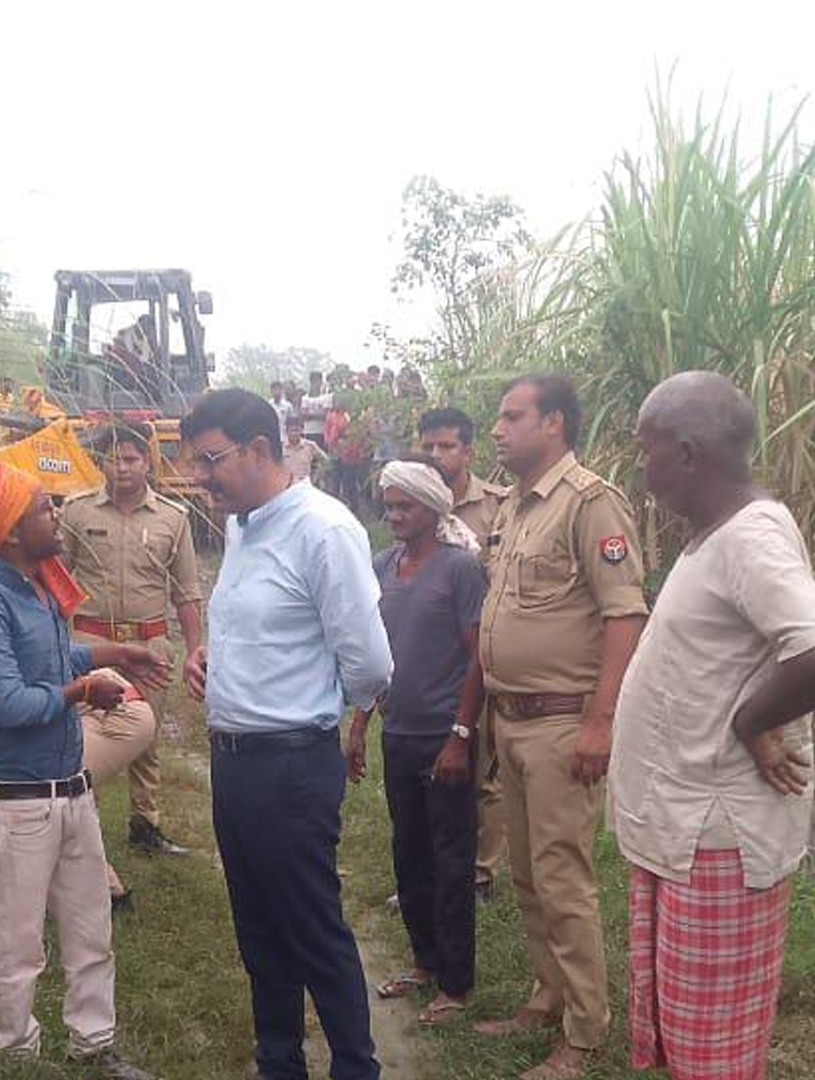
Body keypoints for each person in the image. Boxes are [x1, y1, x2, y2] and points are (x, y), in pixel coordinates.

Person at [613, 372, 815, 1080]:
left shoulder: (752, 539)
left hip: (715, 839)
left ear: (688, 454)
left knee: (713, 1053)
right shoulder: (714, 536)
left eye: (646, 450)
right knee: (688, 1041)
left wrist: (752, 719)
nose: (641, 467)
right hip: (683, 828)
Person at [179, 389, 393, 1080]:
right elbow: (266, 624)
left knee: (311, 928)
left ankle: (355, 1067)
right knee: (260, 933)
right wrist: (221, 657)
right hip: (236, 764)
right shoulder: (243, 527)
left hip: (292, 766)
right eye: (195, 462)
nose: (199, 478)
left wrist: (312, 704)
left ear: (261, 450)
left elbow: (370, 662)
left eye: (211, 460)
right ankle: (280, 1064)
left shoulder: (323, 530)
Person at [0, 461, 169, 1080]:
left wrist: (110, 653)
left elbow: (54, 654)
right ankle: (18, 1055)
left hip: (69, 788)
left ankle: (92, 1045)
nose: (57, 513)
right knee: (18, 945)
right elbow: (13, 703)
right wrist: (82, 691)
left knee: (91, 928)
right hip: (19, 802)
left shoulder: (36, 583)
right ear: (12, 531)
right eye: (45, 507)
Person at [472, 374, 650, 1080]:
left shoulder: (590, 503)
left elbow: (624, 614)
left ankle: (584, 1032)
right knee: (526, 873)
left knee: (563, 878)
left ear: (554, 424)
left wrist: (601, 722)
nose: (497, 429)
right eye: (498, 417)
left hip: (560, 722)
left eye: (512, 417)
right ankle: (546, 995)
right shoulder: (515, 507)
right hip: (508, 719)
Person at [345, 459, 487, 1028]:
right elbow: (373, 656)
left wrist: (460, 734)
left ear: (434, 510)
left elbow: (479, 656)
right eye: (390, 504)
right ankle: (425, 962)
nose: (394, 515)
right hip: (398, 735)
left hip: (443, 737)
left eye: (405, 506)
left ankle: (456, 983)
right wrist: (359, 726)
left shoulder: (461, 571)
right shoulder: (383, 566)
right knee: (409, 855)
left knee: (451, 860)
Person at [59, 423, 206, 886]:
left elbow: (186, 592)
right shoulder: (77, 512)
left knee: (146, 736)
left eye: (130, 459)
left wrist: (195, 648)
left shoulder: (172, 518)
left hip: (148, 645)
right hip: (90, 642)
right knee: (87, 733)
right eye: (112, 458)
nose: (120, 468)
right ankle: (88, 833)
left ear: (147, 462)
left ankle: (146, 826)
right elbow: (57, 582)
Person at [417, 407, 510, 899]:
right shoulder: (413, 504)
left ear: (468, 451)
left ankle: (479, 872)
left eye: (447, 446)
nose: (436, 455)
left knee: (483, 765)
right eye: (429, 446)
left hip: (482, 649)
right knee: (431, 763)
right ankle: (432, 864)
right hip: (434, 658)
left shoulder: (499, 507)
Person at [281, 413, 328, 485]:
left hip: (304, 486)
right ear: (286, 431)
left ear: (302, 430)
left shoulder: (310, 446)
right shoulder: (280, 447)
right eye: (291, 430)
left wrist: (317, 476)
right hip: (285, 487)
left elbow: (326, 461)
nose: (294, 433)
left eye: (297, 430)